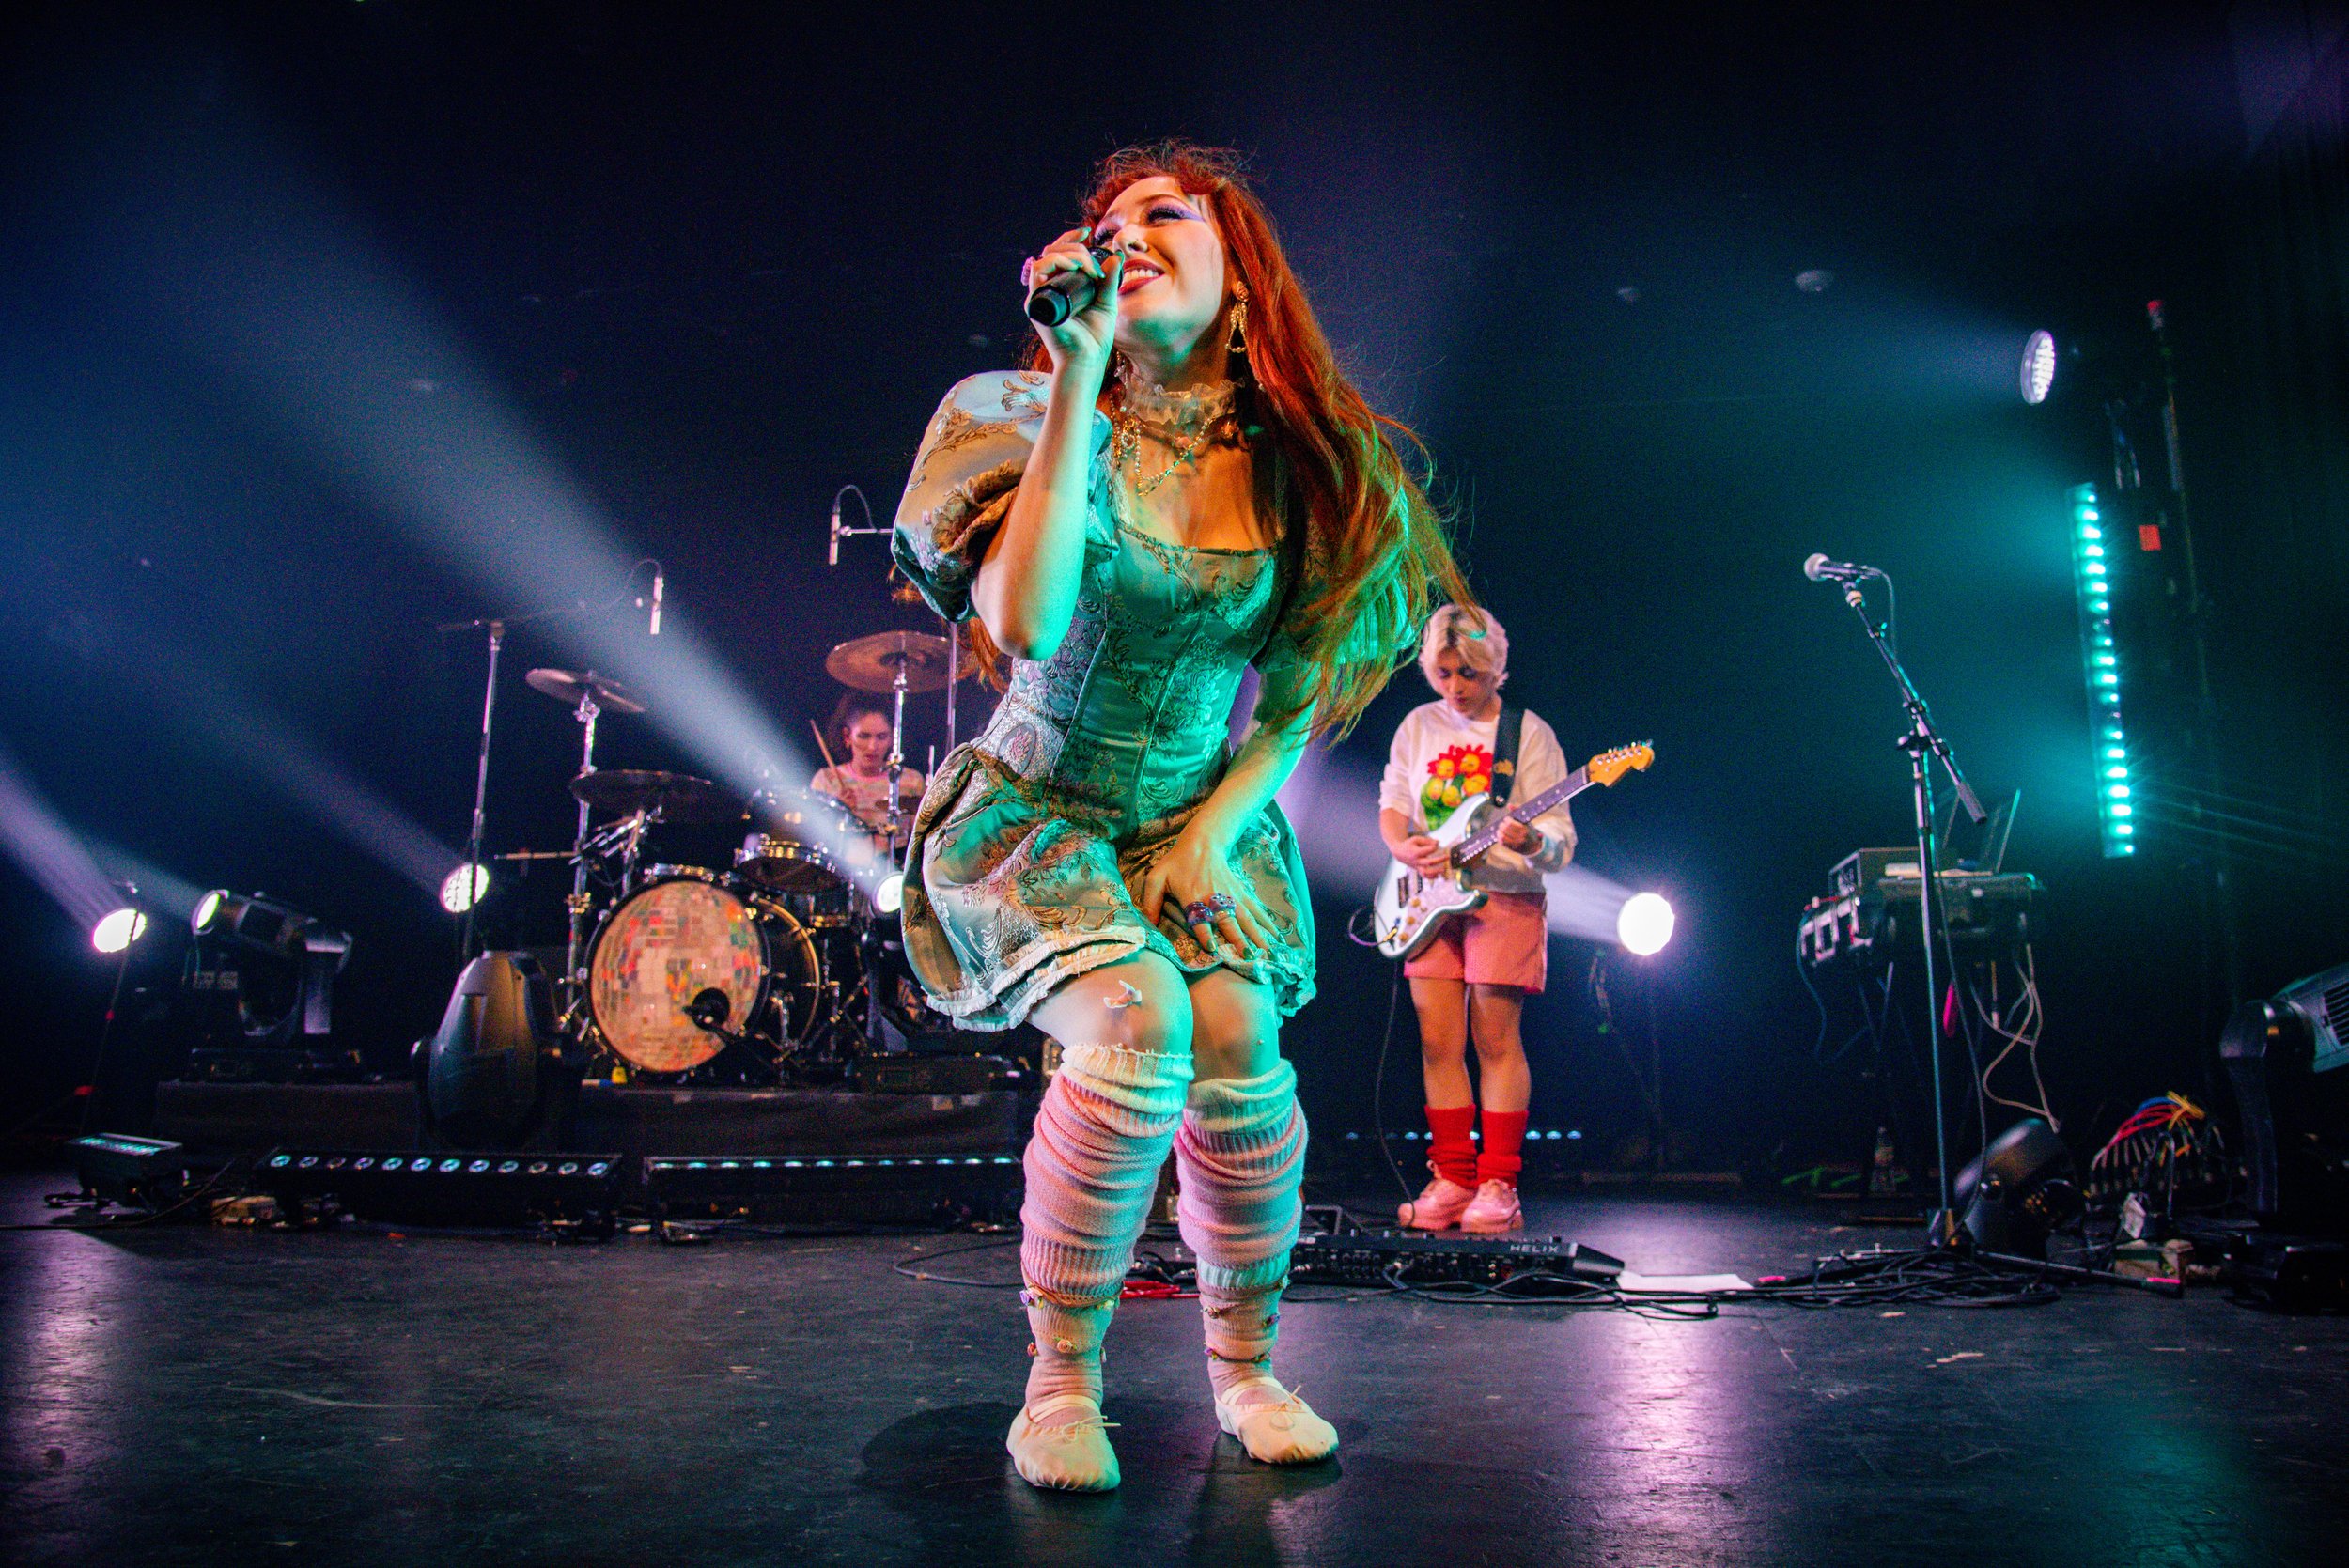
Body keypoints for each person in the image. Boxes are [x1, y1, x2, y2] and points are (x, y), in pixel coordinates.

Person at [891, 142, 1466, 1491]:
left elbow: (1300, 692)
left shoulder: (1304, 465)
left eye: (1165, 213)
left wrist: (1216, 828)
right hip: (1040, 811)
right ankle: (1059, 1385)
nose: (1126, 230)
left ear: (1243, 280)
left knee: (1235, 1029)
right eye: (1104, 218)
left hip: (1189, 815)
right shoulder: (1017, 415)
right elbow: (1023, 622)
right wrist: (1080, 374)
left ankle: (1247, 1367)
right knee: (1140, 1019)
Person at [1378, 605, 1576, 1234]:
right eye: (1443, 672)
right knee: (1438, 1042)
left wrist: (1528, 841)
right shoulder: (1417, 725)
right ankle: (1453, 1178)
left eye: (1469, 673)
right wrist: (1403, 847)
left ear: (1495, 670)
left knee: (1496, 1040)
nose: (1455, 686)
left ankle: (1498, 1182)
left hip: (1504, 898)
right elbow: (1394, 805)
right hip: (1429, 898)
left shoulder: (1528, 734)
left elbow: (1560, 841)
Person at [809, 691, 924, 853]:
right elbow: (810, 839)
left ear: (893, 738)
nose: (872, 747)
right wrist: (837, 813)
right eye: (864, 736)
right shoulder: (825, 781)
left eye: (882, 737)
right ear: (847, 736)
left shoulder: (911, 781)